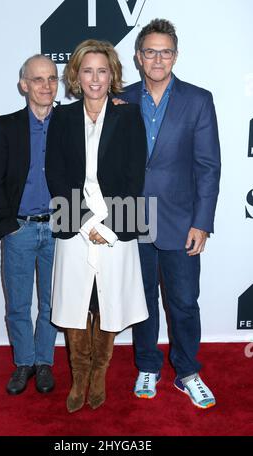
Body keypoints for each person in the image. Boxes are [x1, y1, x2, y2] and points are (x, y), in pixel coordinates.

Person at [119, 19, 221, 409]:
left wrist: (203, 222)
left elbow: (208, 166)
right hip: (132, 216)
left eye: (165, 51)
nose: (157, 58)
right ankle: (147, 365)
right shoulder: (121, 99)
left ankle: (188, 371)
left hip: (182, 220)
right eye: (150, 51)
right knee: (140, 300)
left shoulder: (198, 99)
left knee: (183, 301)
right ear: (139, 56)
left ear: (175, 56)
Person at [45, 39, 149, 413]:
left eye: (101, 70)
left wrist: (106, 225)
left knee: (108, 303)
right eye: (87, 70)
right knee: (76, 304)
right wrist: (86, 220)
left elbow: (134, 176)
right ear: (75, 74)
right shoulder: (63, 118)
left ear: (112, 75)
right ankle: (79, 378)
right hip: (73, 225)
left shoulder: (129, 115)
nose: (94, 78)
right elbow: (56, 174)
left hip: (118, 224)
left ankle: (100, 375)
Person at [0, 54, 59, 395]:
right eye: (39, 79)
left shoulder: (70, 124)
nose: (47, 86)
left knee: (51, 303)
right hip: (20, 230)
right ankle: (24, 363)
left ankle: (44, 362)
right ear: (24, 85)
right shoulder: (5, 125)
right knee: (17, 304)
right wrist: (10, 223)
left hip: (60, 229)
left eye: (52, 78)